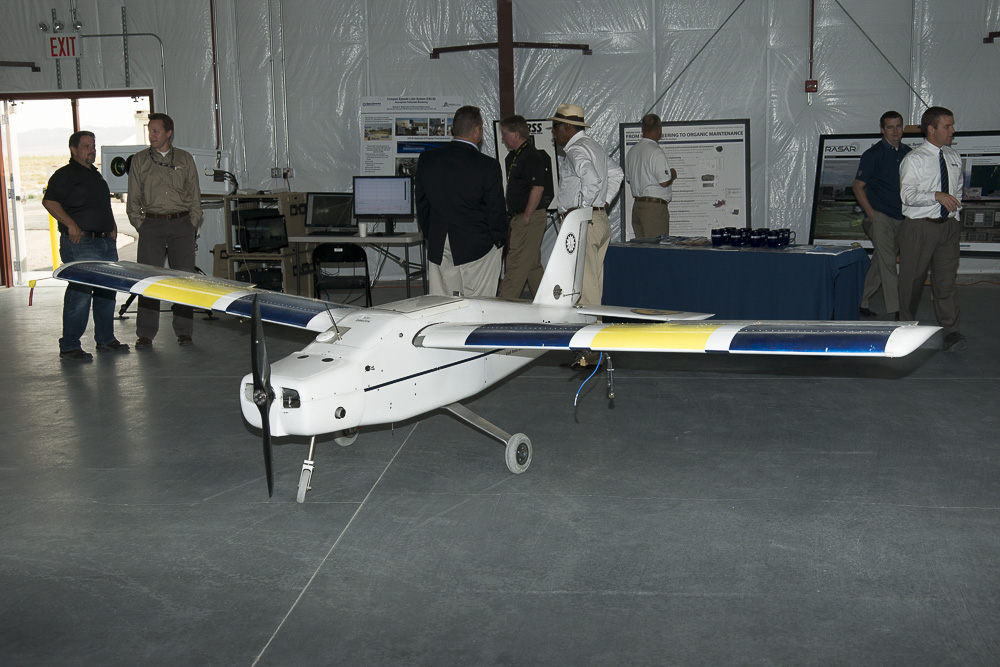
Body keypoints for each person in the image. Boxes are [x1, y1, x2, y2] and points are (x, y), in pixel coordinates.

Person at [44, 131, 130, 361]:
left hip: (105, 242)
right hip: (80, 243)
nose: (91, 150)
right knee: (80, 295)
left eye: (93, 146)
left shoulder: (96, 175)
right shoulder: (65, 175)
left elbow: (101, 204)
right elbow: (49, 201)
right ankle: (70, 345)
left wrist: (111, 225)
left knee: (106, 292)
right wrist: (70, 224)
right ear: (73, 149)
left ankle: (105, 339)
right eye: (86, 146)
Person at [127, 112, 203, 348]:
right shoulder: (139, 160)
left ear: (168, 133)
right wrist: (142, 224)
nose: (151, 135)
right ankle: (146, 334)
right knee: (148, 280)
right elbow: (133, 198)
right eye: (149, 130)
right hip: (152, 224)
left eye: (156, 131)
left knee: (184, 279)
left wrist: (192, 223)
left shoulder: (185, 158)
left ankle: (184, 331)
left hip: (182, 225)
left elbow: (194, 195)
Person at [415, 105, 508, 297]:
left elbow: (422, 204)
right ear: (477, 130)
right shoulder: (488, 165)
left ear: (453, 130)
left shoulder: (427, 159)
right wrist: (498, 241)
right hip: (478, 244)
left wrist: (431, 235)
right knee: (480, 306)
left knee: (441, 305)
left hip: (440, 242)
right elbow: (496, 209)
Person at [898, 106, 965, 351]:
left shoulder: (954, 157)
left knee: (946, 282)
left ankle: (952, 332)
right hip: (920, 228)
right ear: (931, 129)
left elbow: (957, 191)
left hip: (948, 228)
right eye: (947, 126)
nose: (952, 130)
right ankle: (904, 327)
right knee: (912, 282)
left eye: (952, 125)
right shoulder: (913, 159)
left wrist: (954, 215)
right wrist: (936, 195)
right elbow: (907, 196)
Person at [549, 103, 623, 307]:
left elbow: (591, 179)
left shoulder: (575, 150)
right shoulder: (593, 146)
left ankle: (589, 332)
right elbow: (617, 173)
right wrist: (604, 202)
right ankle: (594, 328)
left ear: (566, 127)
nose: (553, 133)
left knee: (584, 284)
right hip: (598, 220)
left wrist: (582, 210)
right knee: (593, 280)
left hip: (586, 222)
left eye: (555, 127)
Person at [852, 111, 911, 319]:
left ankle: (859, 301)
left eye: (898, 126)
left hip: (901, 216)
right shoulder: (873, 154)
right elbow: (858, 187)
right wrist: (872, 215)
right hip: (880, 216)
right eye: (890, 127)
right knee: (888, 262)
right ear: (882, 129)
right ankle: (898, 310)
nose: (895, 131)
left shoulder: (908, 153)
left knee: (879, 261)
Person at [498, 115, 554, 299]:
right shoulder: (518, 156)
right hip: (522, 216)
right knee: (532, 265)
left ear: (515, 134)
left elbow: (538, 187)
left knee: (516, 263)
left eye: (505, 134)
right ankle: (546, 303)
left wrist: (526, 216)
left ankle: (504, 307)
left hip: (528, 217)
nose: (503, 138)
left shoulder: (529, 155)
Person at [624, 113, 677, 239]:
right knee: (656, 251)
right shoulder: (656, 152)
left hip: (637, 206)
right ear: (659, 130)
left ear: (642, 130)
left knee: (643, 251)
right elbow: (664, 182)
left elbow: (629, 179)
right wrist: (673, 174)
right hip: (653, 208)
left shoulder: (632, 151)